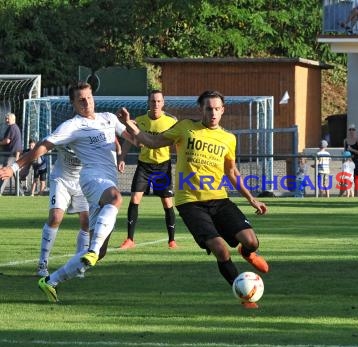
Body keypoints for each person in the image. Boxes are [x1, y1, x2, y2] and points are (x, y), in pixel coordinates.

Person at [118, 90, 269, 309]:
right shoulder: (185, 127)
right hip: (190, 203)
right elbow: (151, 141)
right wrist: (130, 125)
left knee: (251, 241)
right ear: (201, 110)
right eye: (209, 108)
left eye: (217, 109)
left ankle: (247, 253)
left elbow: (232, 172)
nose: (213, 113)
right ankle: (245, 296)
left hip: (219, 199)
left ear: (223, 110)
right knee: (220, 249)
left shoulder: (228, 138)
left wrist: (252, 200)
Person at [0, 81, 136, 302]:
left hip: (101, 182)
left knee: (100, 253)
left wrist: (128, 123)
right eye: (80, 99)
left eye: (89, 97)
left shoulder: (109, 118)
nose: (86, 102)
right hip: (89, 178)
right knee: (115, 198)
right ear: (73, 103)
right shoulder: (72, 125)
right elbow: (43, 146)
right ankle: (49, 261)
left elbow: (135, 138)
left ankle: (51, 281)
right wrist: (15, 166)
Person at [117, 90, 178, 250]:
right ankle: (130, 239)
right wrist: (122, 158)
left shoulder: (172, 121)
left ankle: (172, 240)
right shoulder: (139, 121)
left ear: (163, 103)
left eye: (158, 101)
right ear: (148, 103)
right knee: (135, 199)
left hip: (163, 167)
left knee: (167, 202)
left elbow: (179, 142)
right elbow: (130, 140)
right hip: (144, 165)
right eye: (153, 101)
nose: (155, 104)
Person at [36, 144, 90, 277]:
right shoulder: (65, 131)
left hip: (82, 181)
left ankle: (79, 265)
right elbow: (43, 144)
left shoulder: (93, 133)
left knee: (87, 222)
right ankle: (42, 262)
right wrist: (18, 165)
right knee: (55, 217)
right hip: (61, 179)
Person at [0, 113, 22, 195]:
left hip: (11, 156)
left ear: (13, 119)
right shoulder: (15, 127)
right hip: (14, 155)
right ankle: (21, 193)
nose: (6, 120)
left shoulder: (12, 127)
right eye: (6, 118)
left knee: (4, 173)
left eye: (7, 119)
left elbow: (7, 141)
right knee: (14, 173)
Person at [343, 124, 358, 194]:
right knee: (346, 178)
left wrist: (352, 150)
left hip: (356, 162)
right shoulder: (345, 140)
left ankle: (356, 195)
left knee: (356, 180)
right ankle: (347, 194)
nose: (351, 131)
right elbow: (344, 152)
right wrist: (344, 161)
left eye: (353, 129)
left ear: (355, 131)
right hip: (348, 163)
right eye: (350, 129)